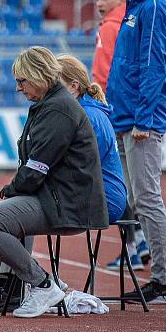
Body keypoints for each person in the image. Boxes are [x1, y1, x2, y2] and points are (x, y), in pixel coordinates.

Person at [0, 46, 108, 318]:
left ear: (39, 75)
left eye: (22, 81)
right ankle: (6, 288)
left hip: (67, 204)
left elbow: (35, 168)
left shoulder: (58, 110)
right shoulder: (50, 104)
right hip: (57, 198)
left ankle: (42, 284)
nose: (19, 88)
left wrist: (10, 190)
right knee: (5, 216)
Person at [92, 0, 166, 270]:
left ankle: (141, 249)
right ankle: (136, 246)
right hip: (115, 114)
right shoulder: (114, 26)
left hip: (124, 116)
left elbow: (165, 68)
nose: (99, 4)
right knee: (126, 188)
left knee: (131, 191)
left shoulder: (122, 27)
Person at [107, 0, 166, 304]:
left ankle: (165, 281)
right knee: (136, 199)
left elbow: (153, 68)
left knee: (148, 200)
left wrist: (144, 118)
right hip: (124, 117)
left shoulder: (152, 8)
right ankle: (159, 277)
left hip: (140, 123)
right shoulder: (134, 7)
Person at [57, 54, 126, 224]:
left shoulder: (88, 117)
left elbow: (82, 167)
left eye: (56, 86)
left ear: (73, 86)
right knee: (24, 201)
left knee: (25, 206)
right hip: (95, 194)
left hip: (103, 201)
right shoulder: (83, 112)